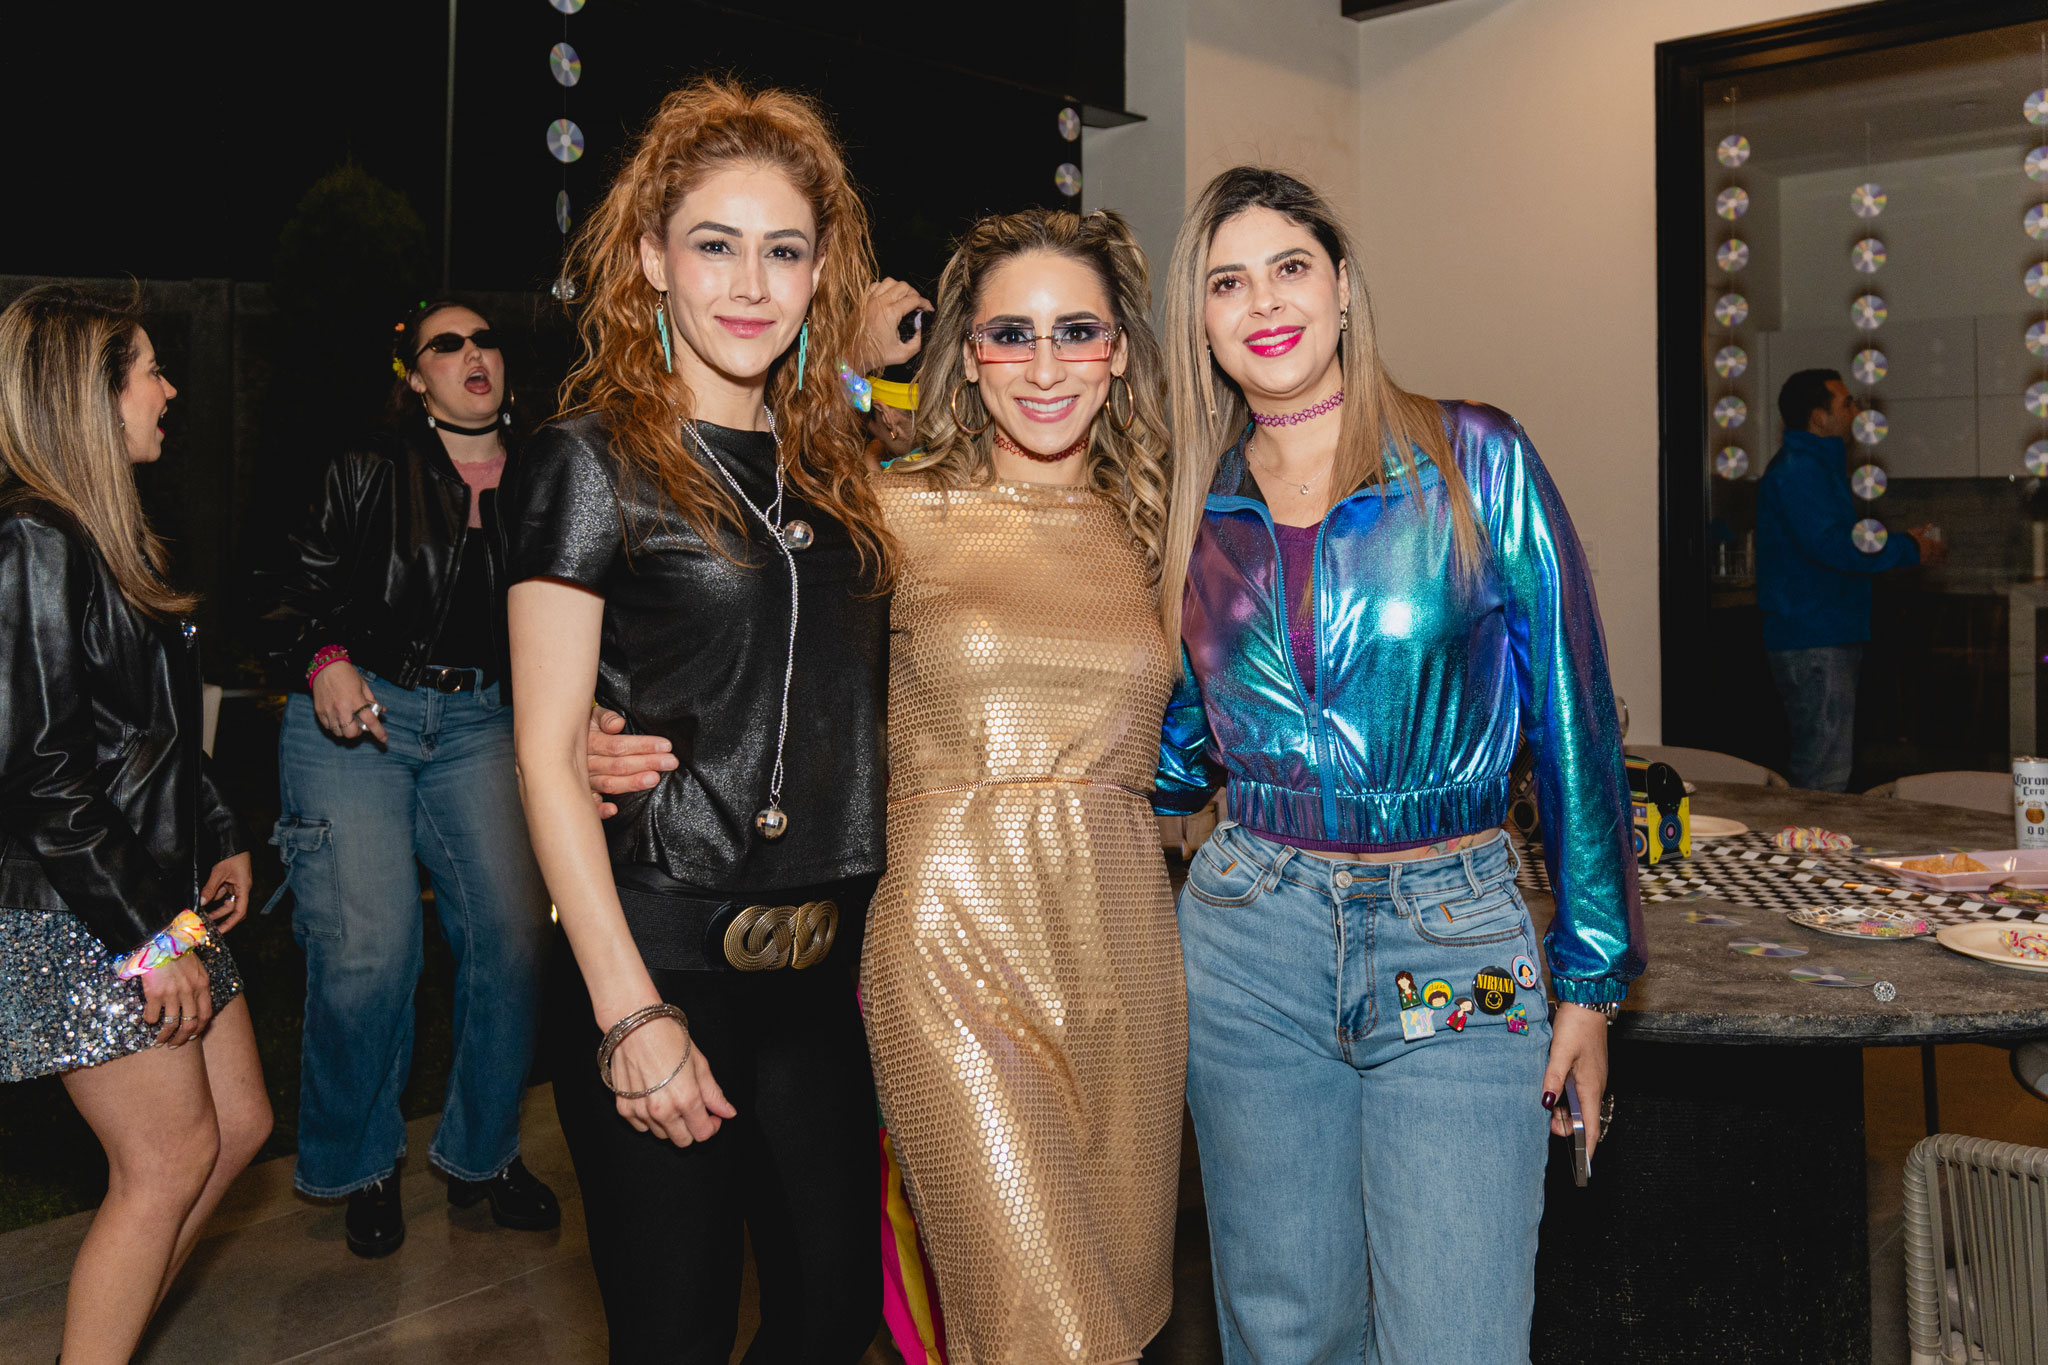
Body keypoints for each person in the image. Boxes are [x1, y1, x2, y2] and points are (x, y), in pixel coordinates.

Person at [1151, 167, 1645, 1364]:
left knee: (1454, 1336)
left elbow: (1572, 718)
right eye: (1226, 282)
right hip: (1247, 940)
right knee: (1286, 1333)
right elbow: (1171, 751)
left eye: (1289, 268)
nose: (1263, 303)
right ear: (1199, 322)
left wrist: (1590, 979)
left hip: (1451, 936)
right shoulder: (1191, 506)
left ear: (1340, 287)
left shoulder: (1472, 456)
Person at [502, 78, 918, 1364]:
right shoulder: (589, 459)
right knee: (672, 1334)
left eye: (783, 251)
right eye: (714, 245)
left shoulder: (842, 469)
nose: (749, 284)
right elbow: (544, 754)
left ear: (820, 274)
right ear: (650, 260)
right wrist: (628, 1015)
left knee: (830, 1317)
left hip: (822, 979)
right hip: (661, 957)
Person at [860, 207, 1184, 1365]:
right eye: (1010, 334)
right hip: (949, 948)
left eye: (1075, 331)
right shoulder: (891, 512)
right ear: (966, 355)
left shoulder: (1155, 530)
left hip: (1124, 956)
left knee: (1117, 1316)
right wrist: (614, 724)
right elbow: (751, 643)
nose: (1044, 367)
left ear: (1119, 352)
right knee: (1040, 1328)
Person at [0, 284, 270, 1363]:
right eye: (151, 371)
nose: (170, 391)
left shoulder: (108, 536)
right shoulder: (33, 540)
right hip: (90, 907)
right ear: (90, 394)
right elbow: (42, 774)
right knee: (164, 1162)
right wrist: (155, 939)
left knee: (238, 1126)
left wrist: (218, 825)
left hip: (158, 886)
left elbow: (150, 730)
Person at [259, 299, 558, 1258]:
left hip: (484, 721)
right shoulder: (367, 466)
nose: (474, 353)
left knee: (515, 936)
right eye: (447, 344)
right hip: (360, 717)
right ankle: (363, 1163)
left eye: (486, 340)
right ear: (416, 377)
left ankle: (483, 1153)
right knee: (371, 953)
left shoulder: (548, 471)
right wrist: (325, 658)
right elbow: (292, 593)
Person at [1756, 368, 1943, 791]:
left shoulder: (1815, 467)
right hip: (1814, 637)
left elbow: (1839, 540)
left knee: (1823, 763)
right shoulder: (1800, 471)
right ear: (1818, 417)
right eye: (1847, 403)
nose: (1857, 411)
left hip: (1821, 633)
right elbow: (1836, 545)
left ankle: (1812, 833)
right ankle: (1812, 836)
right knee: (1824, 771)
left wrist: (1903, 542)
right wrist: (1907, 547)